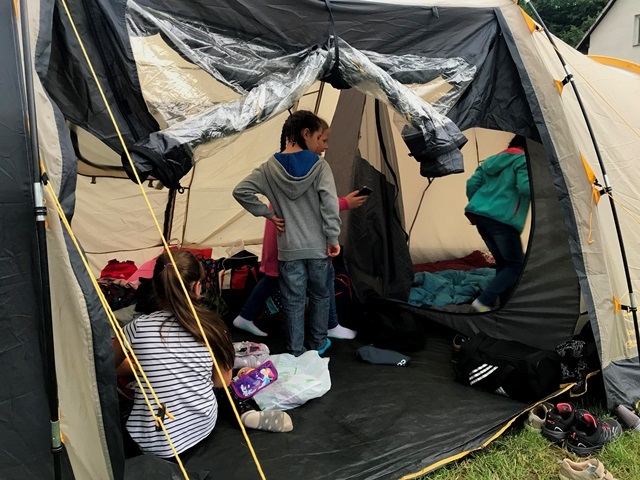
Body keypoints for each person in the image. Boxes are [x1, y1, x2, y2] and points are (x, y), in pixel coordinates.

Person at [113, 250, 292, 459]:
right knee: (218, 388)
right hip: (202, 426)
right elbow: (221, 382)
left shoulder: (137, 328)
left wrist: (139, 368)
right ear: (197, 286)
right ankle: (243, 411)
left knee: (120, 401)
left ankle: (242, 412)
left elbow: (105, 364)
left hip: (153, 444)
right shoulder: (212, 326)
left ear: (156, 286)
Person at [233, 120, 365, 340]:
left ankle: (294, 345)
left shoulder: (272, 167)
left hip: (283, 238)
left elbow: (242, 191)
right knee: (319, 286)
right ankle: (324, 332)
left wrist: (267, 214)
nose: (325, 146)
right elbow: (320, 205)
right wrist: (338, 223)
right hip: (300, 240)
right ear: (306, 134)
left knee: (285, 290)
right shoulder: (318, 167)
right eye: (322, 139)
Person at [464, 134, 530, 312]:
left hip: (481, 218)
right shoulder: (523, 160)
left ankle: (503, 305)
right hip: (503, 220)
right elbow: (525, 188)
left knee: (503, 265)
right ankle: (482, 303)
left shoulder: (489, 162)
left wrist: (482, 205)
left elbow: (472, 184)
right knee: (515, 266)